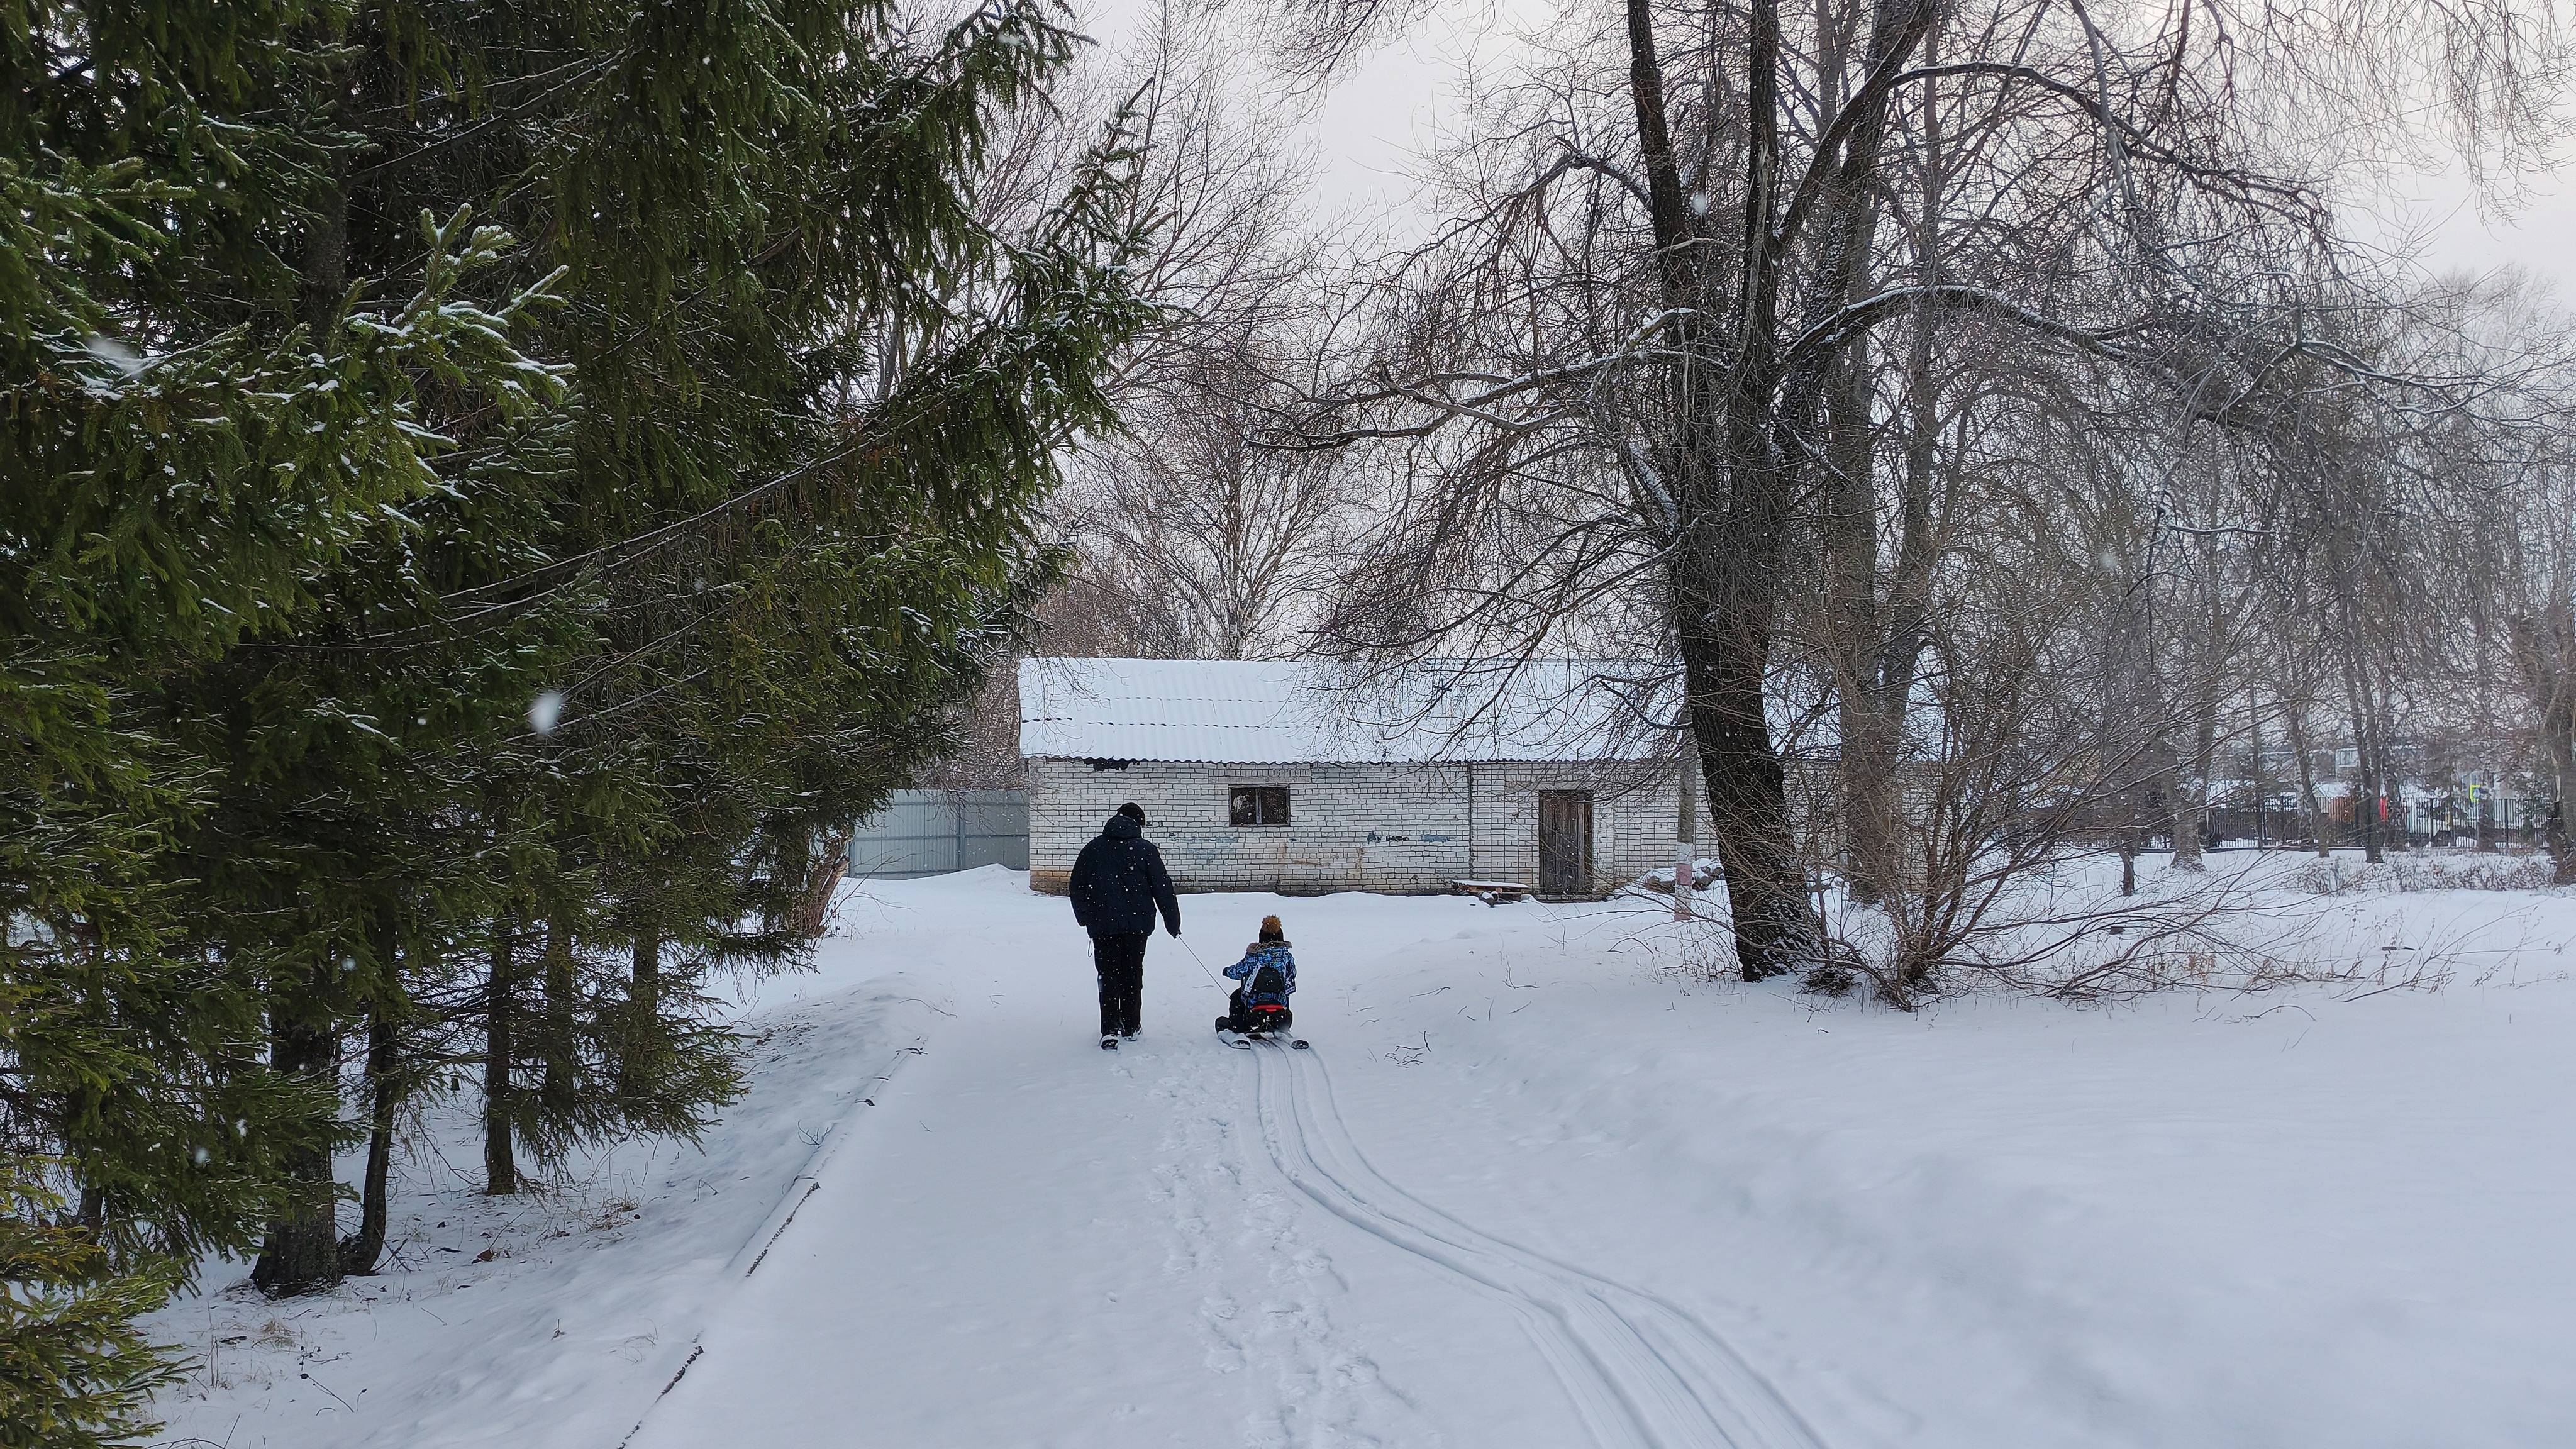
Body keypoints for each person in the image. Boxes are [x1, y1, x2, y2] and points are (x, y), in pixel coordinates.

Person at [1068, 802, 1179, 1049]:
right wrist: (1172, 921)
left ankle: (1109, 1028)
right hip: (1137, 925)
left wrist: (1085, 916)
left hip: (1103, 925)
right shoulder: (1145, 850)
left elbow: (1077, 885)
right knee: (1132, 973)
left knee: (1108, 976)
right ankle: (1131, 1025)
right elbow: (1162, 888)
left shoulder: (1093, 849)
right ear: (1138, 823)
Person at [1216, 914, 1295, 1035]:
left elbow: (1239, 971)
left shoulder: (1255, 955)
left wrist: (1227, 971)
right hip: (1279, 1001)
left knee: (1236, 997)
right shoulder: (1287, 957)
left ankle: (1238, 1029)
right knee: (1285, 994)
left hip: (1255, 1000)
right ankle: (1282, 1026)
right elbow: (1292, 974)